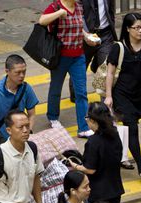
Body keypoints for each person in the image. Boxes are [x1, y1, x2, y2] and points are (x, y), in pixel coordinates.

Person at [104, 13, 141, 179]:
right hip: (121, 94)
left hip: (139, 96)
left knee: (124, 129)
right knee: (132, 128)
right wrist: (108, 96)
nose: (140, 31)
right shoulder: (118, 48)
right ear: (128, 29)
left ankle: (116, 155)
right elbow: (110, 73)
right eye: (136, 28)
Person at [39, 0, 96, 138]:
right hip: (60, 57)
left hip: (78, 56)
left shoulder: (79, 6)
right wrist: (59, 13)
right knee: (56, 88)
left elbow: (78, 26)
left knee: (81, 92)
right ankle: (52, 116)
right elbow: (42, 21)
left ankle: (83, 127)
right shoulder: (56, 6)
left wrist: (86, 36)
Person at [75, 102, 124, 203]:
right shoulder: (115, 133)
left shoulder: (93, 141)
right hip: (115, 190)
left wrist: (76, 166)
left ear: (93, 120)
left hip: (99, 195)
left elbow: (90, 169)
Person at [68, 0, 118, 101]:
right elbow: (76, 14)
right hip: (84, 36)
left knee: (106, 68)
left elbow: (111, 10)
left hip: (105, 35)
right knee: (79, 69)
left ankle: (105, 103)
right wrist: (85, 35)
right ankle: (75, 94)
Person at [0, 55, 39, 142]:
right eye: (18, 72)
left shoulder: (26, 88)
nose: (22, 75)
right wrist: (0, 140)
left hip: (20, 140)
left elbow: (31, 114)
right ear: (7, 71)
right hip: (1, 142)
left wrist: (29, 131)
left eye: (24, 72)